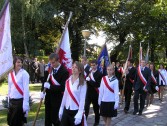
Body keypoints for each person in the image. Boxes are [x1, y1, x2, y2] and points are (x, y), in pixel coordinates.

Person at [40, 53, 69, 126]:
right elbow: (45, 81)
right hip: (48, 99)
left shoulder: (64, 72)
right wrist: (42, 91)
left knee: (56, 120)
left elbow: (63, 88)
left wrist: (50, 87)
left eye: (53, 62)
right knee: (47, 120)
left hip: (57, 100)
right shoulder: (49, 69)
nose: (52, 64)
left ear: (58, 60)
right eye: (50, 63)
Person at [59, 61, 87, 126]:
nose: (73, 68)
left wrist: (80, 113)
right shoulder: (67, 81)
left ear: (80, 70)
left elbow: (82, 99)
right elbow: (65, 96)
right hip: (67, 109)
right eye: (73, 67)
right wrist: (61, 108)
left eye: (76, 67)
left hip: (76, 111)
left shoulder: (83, 83)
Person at [7, 56, 30, 126]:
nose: (20, 64)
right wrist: (8, 100)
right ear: (14, 63)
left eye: (21, 62)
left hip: (20, 102)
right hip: (11, 101)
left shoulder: (24, 73)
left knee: (17, 122)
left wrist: (25, 104)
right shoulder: (10, 74)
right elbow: (9, 88)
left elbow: (26, 89)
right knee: (10, 122)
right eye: (18, 62)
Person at [85, 60, 102, 126]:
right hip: (88, 93)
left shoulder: (99, 74)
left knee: (96, 109)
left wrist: (90, 80)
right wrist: (86, 80)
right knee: (86, 108)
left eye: (94, 65)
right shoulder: (89, 72)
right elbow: (87, 82)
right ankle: (84, 121)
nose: (92, 66)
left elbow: (97, 84)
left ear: (97, 65)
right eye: (91, 65)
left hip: (95, 94)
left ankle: (96, 121)